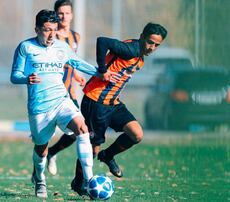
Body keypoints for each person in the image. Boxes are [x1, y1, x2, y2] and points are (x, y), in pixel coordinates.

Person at [10, 9, 97, 198]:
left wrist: (99, 72)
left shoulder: (61, 47)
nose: (51, 35)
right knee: (41, 149)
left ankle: (90, 180)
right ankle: (40, 178)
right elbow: (14, 76)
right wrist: (26, 78)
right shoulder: (25, 47)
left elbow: (77, 63)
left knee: (82, 128)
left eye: (54, 30)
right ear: (37, 29)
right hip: (39, 108)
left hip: (61, 100)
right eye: (47, 30)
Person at [71, 22, 168, 189]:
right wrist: (102, 69)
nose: (152, 47)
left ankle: (108, 155)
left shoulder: (140, 55)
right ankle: (78, 182)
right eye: (150, 42)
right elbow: (102, 41)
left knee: (136, 134)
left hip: (112, 103)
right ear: (142, 37)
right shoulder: (131, 49)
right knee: (92, 149)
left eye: (157, 45)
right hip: (95, 102)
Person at [46, 0, 86, 176]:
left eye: (67, 13)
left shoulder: (75, 37)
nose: (64, 17)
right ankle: (37, 169)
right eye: (60, 13)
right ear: (55, 14)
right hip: (51, 93)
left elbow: (71, 61)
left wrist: (76, 75)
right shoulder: (51, 37)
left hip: (70, 94)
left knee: (77, 130)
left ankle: (52, 153)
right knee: (44, 136)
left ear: (72, 15)